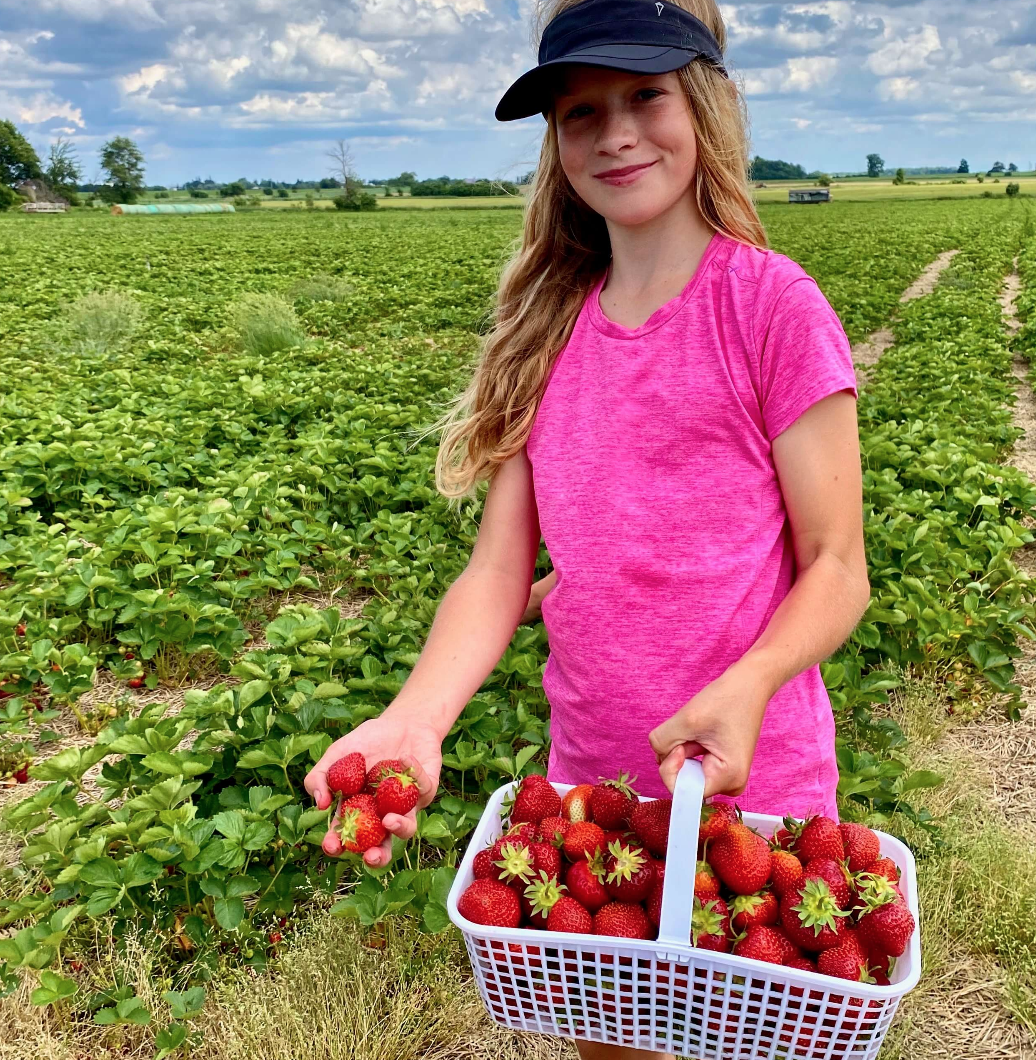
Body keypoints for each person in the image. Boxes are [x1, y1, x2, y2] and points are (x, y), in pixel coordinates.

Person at [306, 0, 869, 1055]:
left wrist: (748, 683)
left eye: (644, 96)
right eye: (578, 112)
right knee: (616, 1043)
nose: (614, 133)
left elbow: (837, 567)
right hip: (595, 793)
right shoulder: (547, 332)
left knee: (751, 1031)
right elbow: (495, 572)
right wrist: (416, 717)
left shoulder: (771, 308)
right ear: (553, 144)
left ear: (701, 103)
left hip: (756, 778)